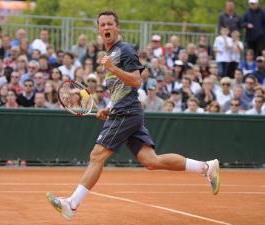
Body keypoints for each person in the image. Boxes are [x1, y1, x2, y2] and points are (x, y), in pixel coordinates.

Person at [46, 11, 220, 221]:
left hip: (126, 112)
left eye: (110, 24)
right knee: (151, 161)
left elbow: (136, 81)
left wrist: (111, 68)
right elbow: (120, 89)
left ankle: (71, 204)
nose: (106, 28)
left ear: (117, 27)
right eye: (102, 25)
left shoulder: (125, 51)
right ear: (99, 29)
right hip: (124, 109)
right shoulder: (110, 53)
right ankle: (205, 167)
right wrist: (108, 107)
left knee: (97, 155)